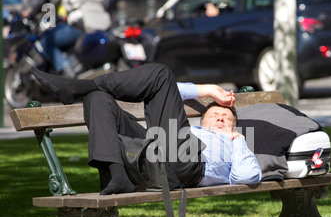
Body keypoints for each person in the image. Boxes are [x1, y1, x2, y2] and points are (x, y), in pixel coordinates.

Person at [31, 64, 262, 196]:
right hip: (154, 155)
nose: (221, 118)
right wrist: (210, 90)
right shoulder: (192, 131)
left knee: (161, 75)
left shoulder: (235, 144)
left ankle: (75, 87)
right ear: (201, 122)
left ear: (234, 128)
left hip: (187, 164)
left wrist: (238, 141)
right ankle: (116, 173)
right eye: (215, 115)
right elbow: (171, 90)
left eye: (227, 119)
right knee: (98, 98)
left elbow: (247, 176)